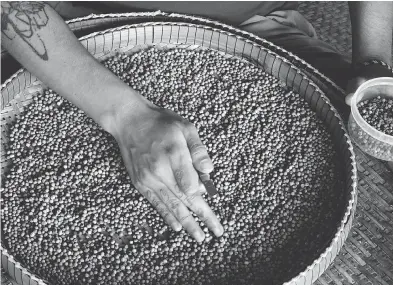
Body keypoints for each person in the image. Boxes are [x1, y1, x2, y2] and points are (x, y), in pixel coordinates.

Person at [2, 1, 392, 243]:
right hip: (83, 28)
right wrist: (126, 115)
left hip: (258, 25)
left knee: (370, 172)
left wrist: (373, 62)